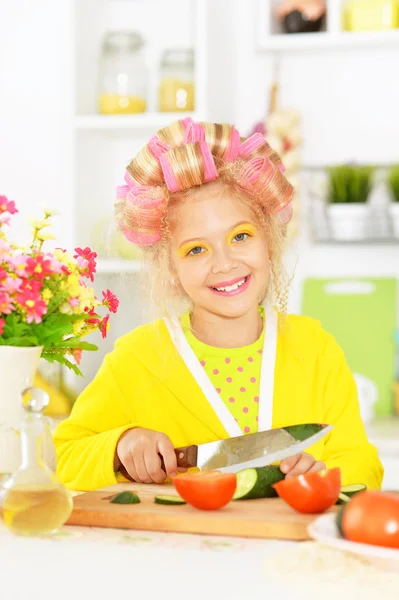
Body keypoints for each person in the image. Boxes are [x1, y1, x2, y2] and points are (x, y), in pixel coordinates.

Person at [54, 118, 383, 492]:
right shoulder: (138, 358)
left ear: (270, 242)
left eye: (240, 236)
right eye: (196, 249)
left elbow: (363, 463)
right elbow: (63, 455)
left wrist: (325, 477)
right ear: (171, 270)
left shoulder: (316, 349)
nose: (225, 263)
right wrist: (119, 446)